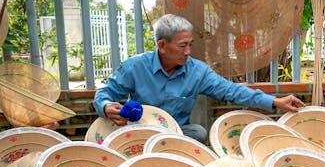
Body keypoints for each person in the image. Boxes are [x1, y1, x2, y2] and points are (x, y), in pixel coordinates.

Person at [94, 14, 304, 143]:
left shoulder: (197, 72)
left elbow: (232, 90)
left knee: (198, 132)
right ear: (162, 45)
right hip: (140, 130)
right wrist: (106, 106)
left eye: (190, 45)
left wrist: (275, 102)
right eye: (182, 45)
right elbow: (105, 94)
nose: (188, 52)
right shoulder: (134, 67)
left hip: (177, 134)